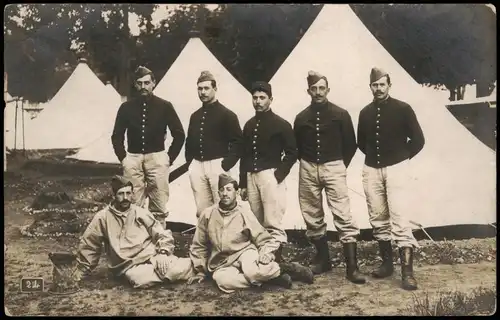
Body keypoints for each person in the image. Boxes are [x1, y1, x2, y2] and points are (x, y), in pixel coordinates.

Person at [293, 71, 365, 284]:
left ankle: (352, 267)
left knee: (343, 214)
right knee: (311, 214)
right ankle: (323, 259)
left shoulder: (340, 114)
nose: (318, 92)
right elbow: (296, 145)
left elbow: (351, 144)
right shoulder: (301, 117)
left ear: (328, 90)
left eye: (321, 88)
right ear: (308, 91)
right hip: (308, 168)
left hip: (334, 166)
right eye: (314, 89)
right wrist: (309, 165)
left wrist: (339, 165)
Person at [357, 67, 425, 291]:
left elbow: (418, 140)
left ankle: (407, 272)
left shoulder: (403, 109)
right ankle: (387, 264)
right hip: (372, 170)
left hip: (397, 169)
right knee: (377, 217)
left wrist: (401, 158)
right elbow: (361, 142)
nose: (378, 89)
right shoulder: (365, 112)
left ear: (389, 85)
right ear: (370, 87)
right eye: (374, 85)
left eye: (382, 84)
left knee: (400, 218)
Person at [188, 173, 314, 293]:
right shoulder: (208, 214)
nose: (225, 193)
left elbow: (262, 238)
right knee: (223, 281)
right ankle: (271, 279)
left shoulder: (244, 212)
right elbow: (199, 244)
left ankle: (288, 268)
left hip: (245, 253)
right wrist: (200, 270)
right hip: (222, 261)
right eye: (222, 190)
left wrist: (267, 254)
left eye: (229, 189)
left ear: (236, 193)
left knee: (253, 272)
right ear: (218, 193)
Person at [74, 175, 198, 289]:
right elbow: (90, 244)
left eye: (128, 193)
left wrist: (163, 253)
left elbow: (161, 233)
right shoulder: (102, 217)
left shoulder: (140, 212)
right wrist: (82, 270)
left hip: (152, 256)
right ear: (113, 196)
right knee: (138, 278)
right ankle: (167, 273)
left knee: (185, 266)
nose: (125, 198)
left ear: (133, 194)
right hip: (127, 266)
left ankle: (167, 270)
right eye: (121, 194)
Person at [111, 66, 185, 228]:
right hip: (133, 159)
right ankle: (135, 240)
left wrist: (168, 158)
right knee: (132, 203)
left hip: (157, 158)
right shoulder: (126, 108)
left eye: (147, 83)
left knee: (159, 204)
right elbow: (117, 136)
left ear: (154, 84)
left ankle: (159, 243)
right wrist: (124, 158)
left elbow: (179, 134)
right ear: (135, 85)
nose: (143, 87)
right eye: (139, 83)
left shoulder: (165, 106)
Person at [239, 81, 298, 262]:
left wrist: (278, 175)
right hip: (251, 177)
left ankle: (277, 261)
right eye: (255, 98)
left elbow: (292, 152)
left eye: (262, 98)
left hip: (270, 177)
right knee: (256, 221)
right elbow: (244, 154)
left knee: (273, 222)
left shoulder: (281, 124)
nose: (258, 101)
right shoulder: (249, 125)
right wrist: (242, 183)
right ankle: (262, 261)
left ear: (270, 99)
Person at [185, 71, 244, 217]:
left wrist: (226, 164)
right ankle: (205, 238)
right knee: (202, 208)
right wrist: (190, 162)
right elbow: (189, 140)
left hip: (217, 165)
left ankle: (224, 238)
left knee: (222, 204)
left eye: (206, 88)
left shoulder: (227, 115)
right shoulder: (195, 116)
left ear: (215, 89)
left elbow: (239, 142)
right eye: (200, 89)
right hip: (197, 166)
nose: (203, 92)